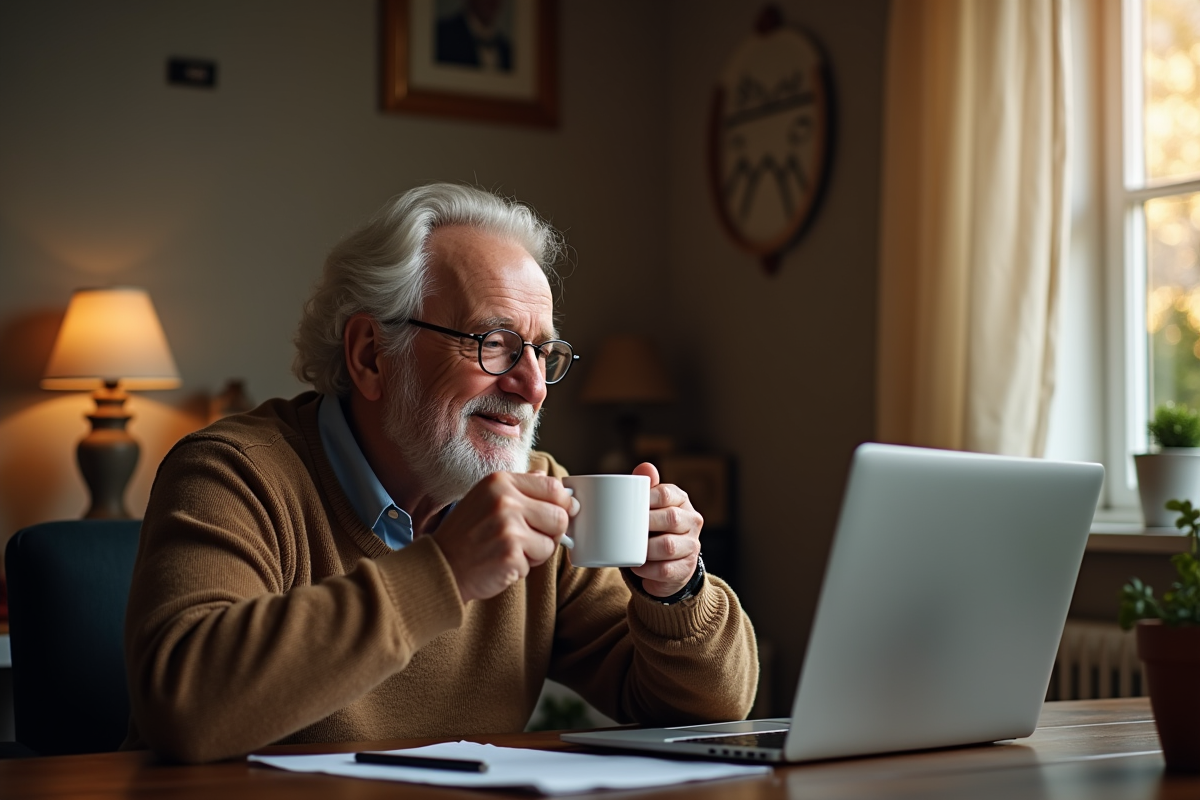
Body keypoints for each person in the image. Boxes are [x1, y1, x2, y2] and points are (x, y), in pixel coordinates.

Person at [122, 183, 759, 764]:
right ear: (371, 354)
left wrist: (674, 590)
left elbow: (713, 708)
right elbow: (184, 708)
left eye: (543, 351)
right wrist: (448, 571)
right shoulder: (235, 473)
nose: (532, 385)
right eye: (493, 342)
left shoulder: (539, 491)